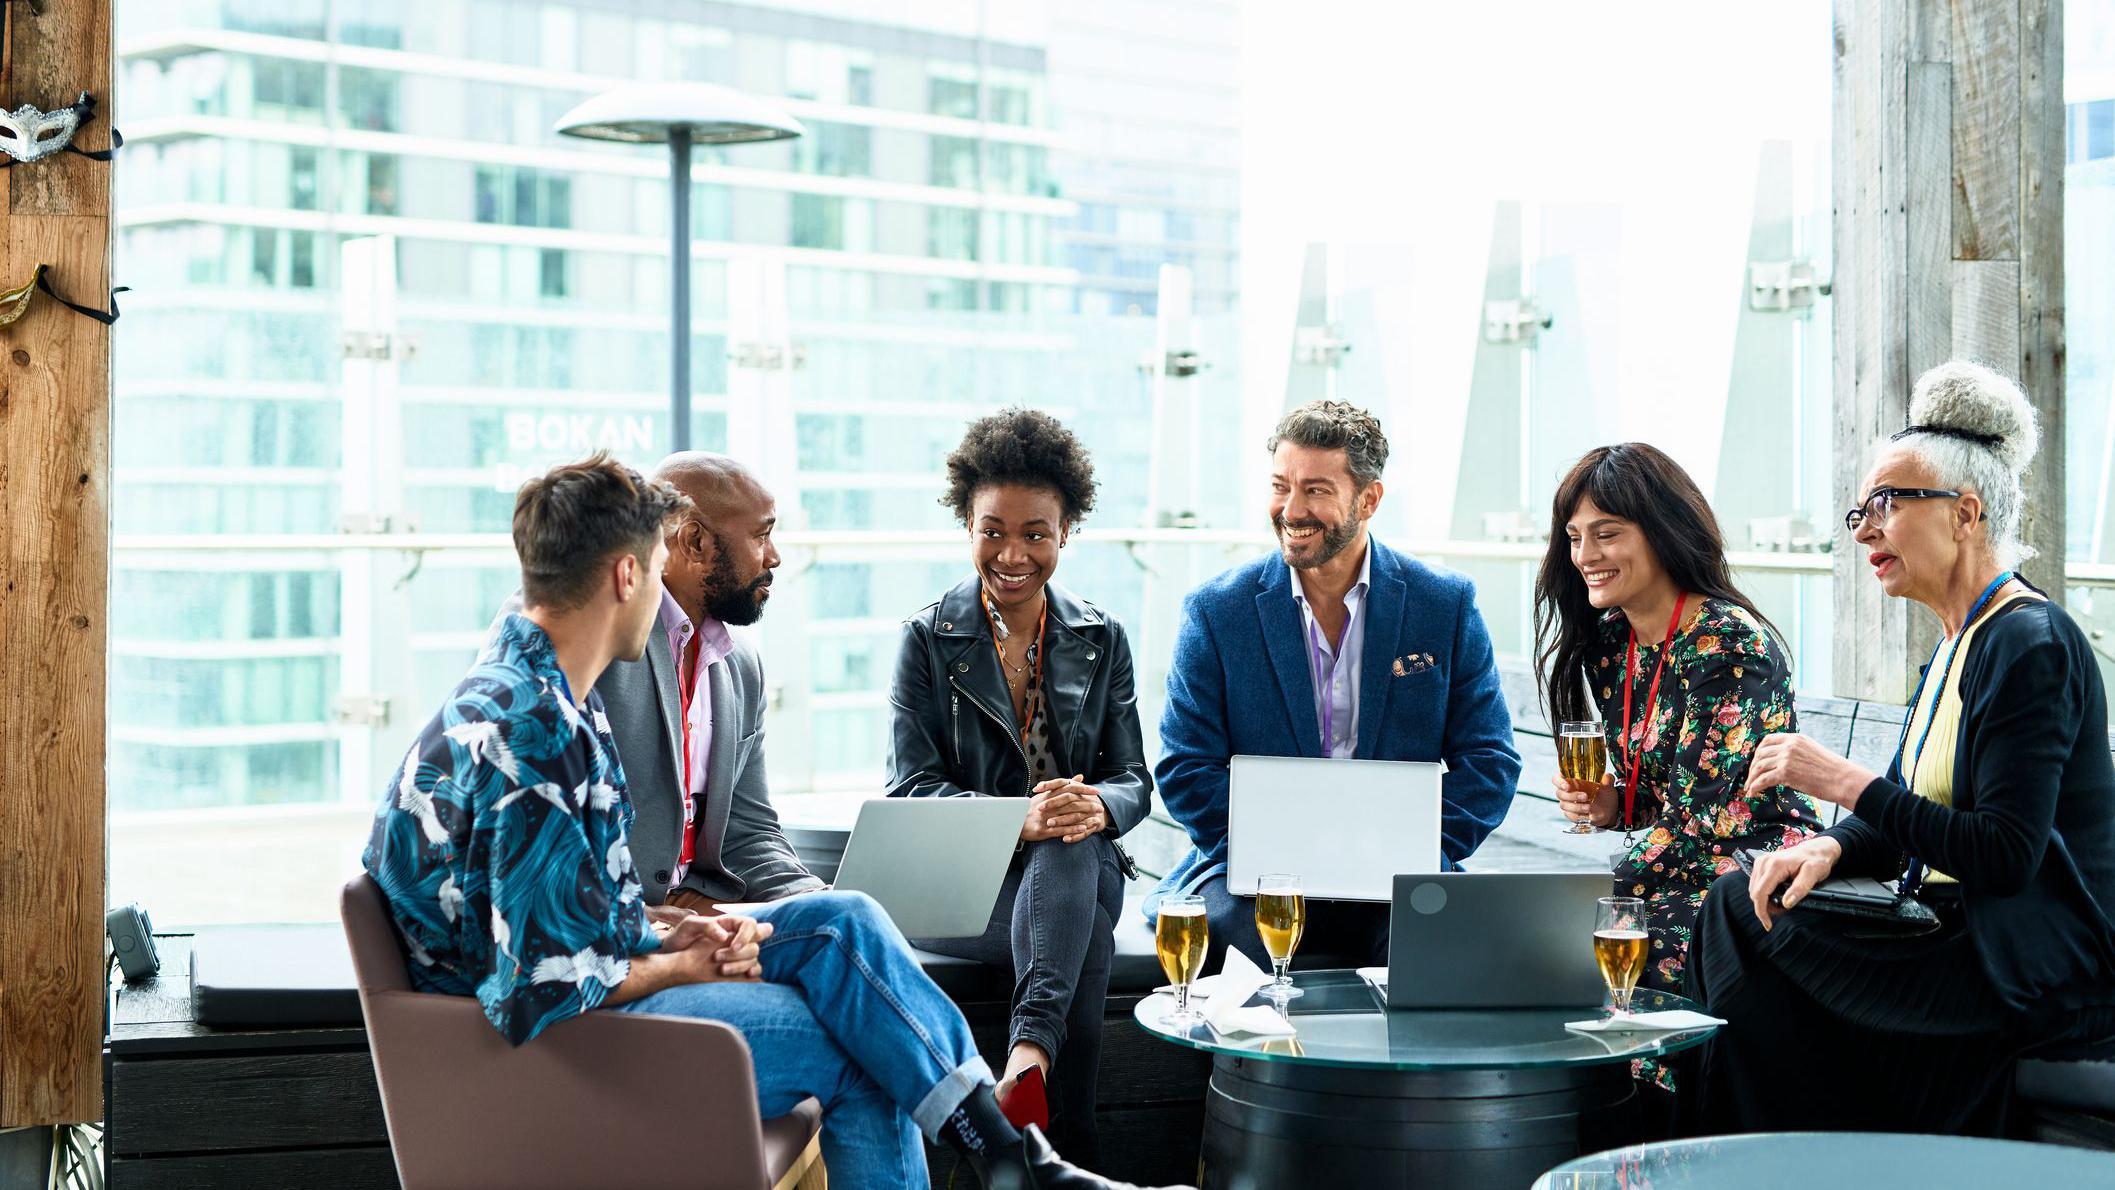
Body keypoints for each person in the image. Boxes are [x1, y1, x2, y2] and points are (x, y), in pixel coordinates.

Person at [365, 454, 1170, 1190]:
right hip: (523, 1048)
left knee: (841, 917)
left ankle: (1011, 1157)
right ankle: (1014, 1160)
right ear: (628, 573)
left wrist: (672, 934)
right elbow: (537, 985)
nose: (659, 598)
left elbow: (572, 907)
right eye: (652, 572)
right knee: (867, 1052)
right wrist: (681, 965)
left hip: (582, 981)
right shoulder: (534, 732)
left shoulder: (542, 697)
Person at [1688, 361, 2115, 1135]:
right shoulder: (1960, 641)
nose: (1863, 529)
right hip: (1953, 934)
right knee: (1746, 902)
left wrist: (1841, 783)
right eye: (1858, 510)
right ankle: (1800, 1149)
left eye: (1885, 503)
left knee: (1738, 921)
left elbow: (2004, 855)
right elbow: (1901, 812)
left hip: (2023, 965)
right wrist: (1827, 849)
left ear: (1964, 513)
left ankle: (1788, 1155)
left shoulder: (2028, 643)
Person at [1155, 400, 1521, 969]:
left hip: (1398, 872)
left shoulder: (1443, 606)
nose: (1291, 509)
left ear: (1369, 499)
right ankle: (1248, 1063)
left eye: (1317, 491)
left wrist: (1418, 851)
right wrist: (1266, 853)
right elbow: (1184, 767)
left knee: (1429, 952)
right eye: (1281, 486)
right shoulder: (1216, 611)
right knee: (1246, 960)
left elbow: (1489, 760)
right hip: (1255, 874)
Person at [887, 409, 1151, 1157]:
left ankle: (1024, 1069)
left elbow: (1134, 779)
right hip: (961, 885)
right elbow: (911, 790)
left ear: (1066, 532)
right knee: (1084, 932)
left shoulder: (1101, 637)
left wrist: (1096, 802)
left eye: (1035, 533)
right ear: (965, 526)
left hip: (1075, 865)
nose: (1012, 553)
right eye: (992, 529)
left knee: (1069, 845)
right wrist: (1015, 820)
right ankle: (1065, 1141)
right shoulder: (927, 639)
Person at [1532, 443, 1822, 1103]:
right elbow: (1668, 795)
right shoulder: (1614, 644)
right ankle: (1566, 1131)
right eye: (1574, 537)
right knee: (1557, 954)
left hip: (1752, 876)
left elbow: (1705, 821)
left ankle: (1649, 1129)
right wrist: (1614, 807)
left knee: (1601, 956)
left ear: (1661, 532)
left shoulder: (1727, 645)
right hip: (1676, 868)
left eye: (1607, 534)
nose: (1584, 555)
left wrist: (1584, 900)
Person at [491, 451, 824, 913]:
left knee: (842, 919)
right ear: (692, 544)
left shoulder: (741, 665)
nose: (775, 557)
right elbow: (549, 922)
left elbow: (749, 832)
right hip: (621, 924)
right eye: (762, 535)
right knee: (846, 936)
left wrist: (811, 899)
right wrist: (666, 943)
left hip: (683, 912)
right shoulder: (572, 645)